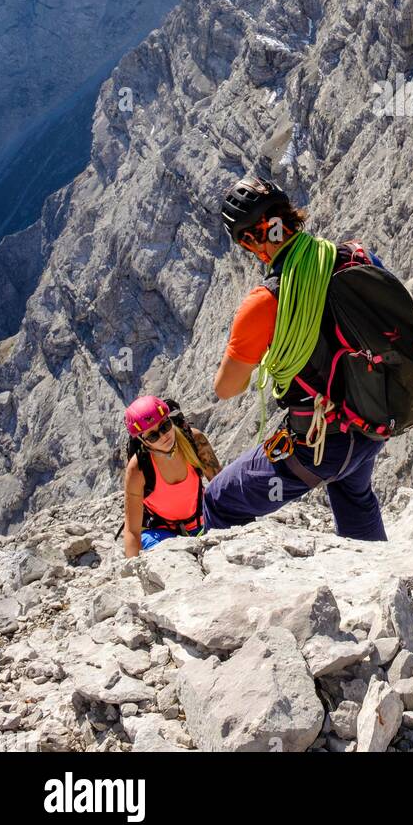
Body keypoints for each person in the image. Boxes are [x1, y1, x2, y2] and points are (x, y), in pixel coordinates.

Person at [202, 176, 389, 541]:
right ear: (288, 215)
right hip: (372, 424)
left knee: (220, 499)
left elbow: (227, 388)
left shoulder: (265, 301)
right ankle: (379, 577)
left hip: (319, 445)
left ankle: (243, 589)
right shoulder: (357, 257)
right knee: (353, 492)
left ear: (249, 240)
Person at [122, 396, 221, 557]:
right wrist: (132, 571)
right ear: (142, 440)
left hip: (202, 522)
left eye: (165, 425)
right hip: (160, 533)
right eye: (153, 436)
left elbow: (221, 487)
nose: (163, 436)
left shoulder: (195, 441)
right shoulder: (138, 469)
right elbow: (132, 530)